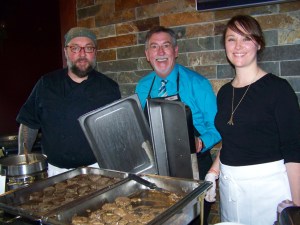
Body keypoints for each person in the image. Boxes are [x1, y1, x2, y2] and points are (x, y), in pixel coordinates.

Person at [205, 15, 300, 225]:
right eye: (231, 39)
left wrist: (296, 207)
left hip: (268, 191)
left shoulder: (278, 89)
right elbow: (232, 140)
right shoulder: (224, 92)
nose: (238, 46)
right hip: (231, 189)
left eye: (246, 38)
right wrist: (213, 171)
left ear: (257, 43)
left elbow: (294, 150)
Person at [135, 26, 221, 225]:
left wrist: (201, 141)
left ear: (175, 51)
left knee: (191, 221)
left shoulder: (198, 84)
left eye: (166, 46)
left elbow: (217, 128)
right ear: (147, 55)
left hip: (195, 168)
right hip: (157, 170)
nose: (161, 52)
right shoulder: (142, 86)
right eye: (154, 47)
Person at [16, 27, 121, 176]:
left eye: (88, 48)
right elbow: (28, 123)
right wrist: (23, 160)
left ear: (95, 52)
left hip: (98, 170)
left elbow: (117, 132)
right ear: (66, 52)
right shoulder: (46, 84)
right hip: (55, 172)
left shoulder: (109, 88)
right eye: (75, 48)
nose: (82, 54)